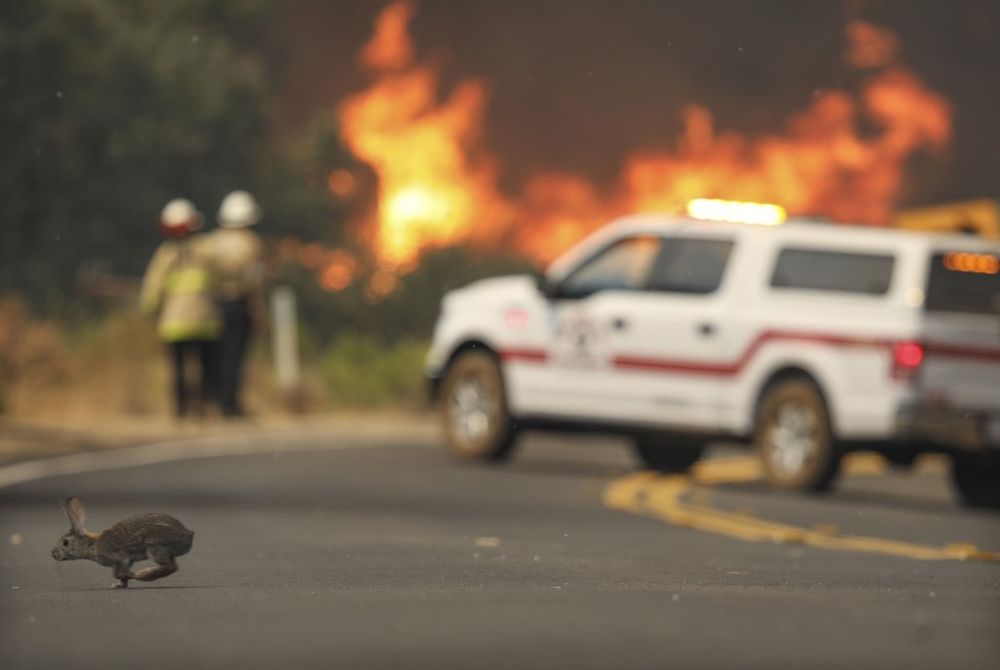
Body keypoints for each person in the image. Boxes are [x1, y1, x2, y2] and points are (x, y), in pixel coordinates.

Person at [140, 198, 221, 419]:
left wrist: (148, 310)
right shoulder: (206, 249)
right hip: (205, 321)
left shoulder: (166, 254)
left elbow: (153, 288)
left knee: (178, 370)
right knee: (205, 368)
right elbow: (221, 280)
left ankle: (182, 409)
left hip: (174, 324)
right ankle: (202, 405)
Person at [208, 190, 267, 418]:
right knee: (235, 357)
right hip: (238, 306)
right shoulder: (251, 244)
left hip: (213, 305)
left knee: (216, 356)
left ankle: (213, 400)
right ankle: (230, 405)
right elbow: (254, 283)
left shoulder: (212, 242)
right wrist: (259, 312)